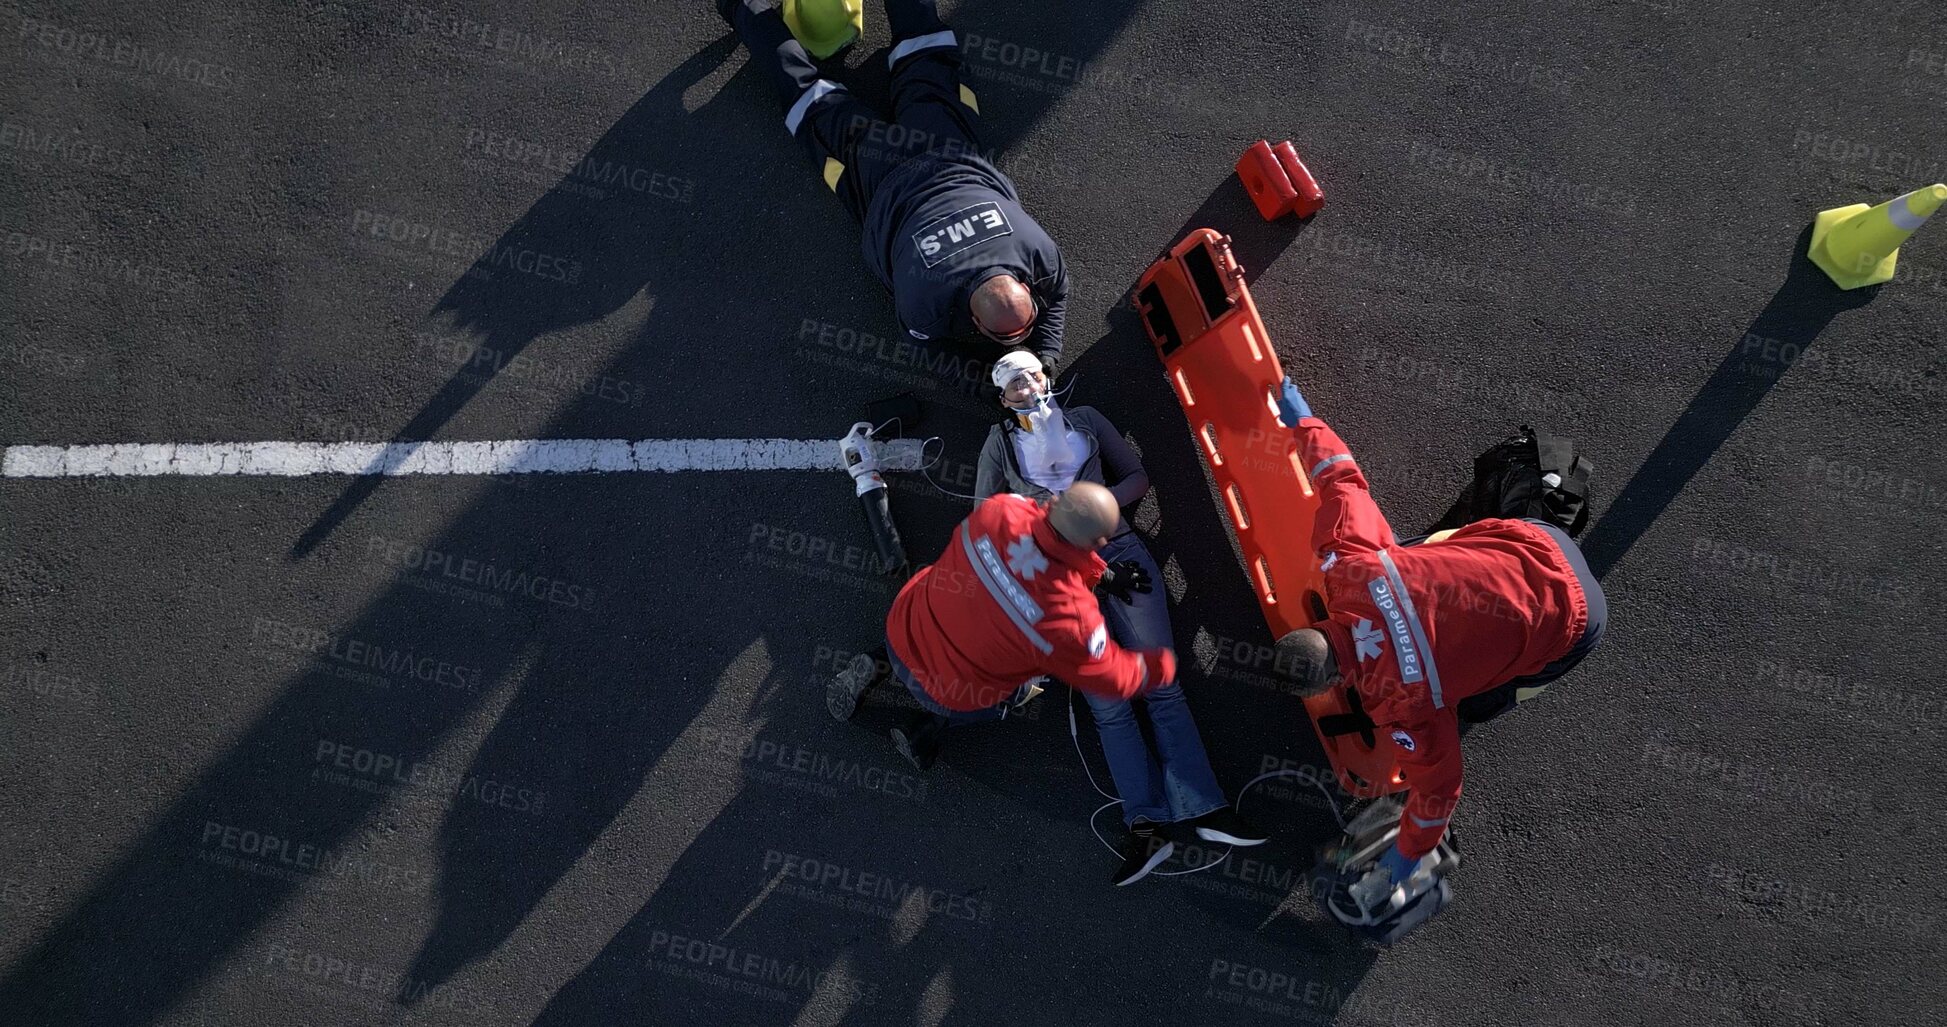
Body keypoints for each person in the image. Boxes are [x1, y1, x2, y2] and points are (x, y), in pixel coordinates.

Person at [1267, 376, 1608, 896]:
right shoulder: (1349, 567)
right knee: (1406, 551)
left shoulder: (1402, 706)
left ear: (1330, 683)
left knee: (1479, 701)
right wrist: (1303, 419)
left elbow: (1440, 791)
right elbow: (1340, 480)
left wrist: (1407, 858)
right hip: (1539, 543)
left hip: (1578, 619)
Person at [972, 350, 1266, 884]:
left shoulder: (1085, 420)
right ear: (1002, 398)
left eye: (1033, 375)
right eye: (1014, 384)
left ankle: (1202, 808)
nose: (1027, 386)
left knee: (1162, 683)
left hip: (1120, 553)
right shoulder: (1001, 443)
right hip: (1058, 577)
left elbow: (1137, 477)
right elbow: (984, 517)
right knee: (1108, 706)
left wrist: (1095, 503)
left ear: (1047, 376)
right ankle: (1147, 824)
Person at [718, 0, 1069, 371]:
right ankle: (742, 6)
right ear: (977, 323)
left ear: (1028, 287)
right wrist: (1002, 382)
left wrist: (1046, 353)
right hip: (880, 176)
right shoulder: (925, 304)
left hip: (948, 148)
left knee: (926, 51)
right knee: (810, 100)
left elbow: (1058, 292)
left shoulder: (1038, 251)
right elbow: (935, 357)